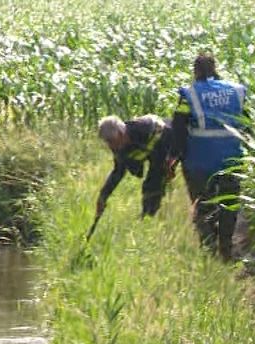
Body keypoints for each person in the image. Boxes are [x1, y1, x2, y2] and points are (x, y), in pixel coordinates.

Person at [170, 54, 246, 260]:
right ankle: (226, 247)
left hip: (200, 159)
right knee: (229, 202)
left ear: (195, 71)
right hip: (232, 158)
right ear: (215, 68)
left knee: (205, 204)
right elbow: (246, 123)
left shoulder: (189, 94)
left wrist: (175, 156)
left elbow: (178, 125)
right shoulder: (236, 91)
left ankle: (210, 248)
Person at [96, 114, 173, 219]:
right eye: (107, 141)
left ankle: (150, 216)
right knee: (151, 186)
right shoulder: (119, 147)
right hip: (154, 152)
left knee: (153, 183)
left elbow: (168, 137)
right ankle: (148, 218)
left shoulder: (144, 129)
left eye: (111, 140)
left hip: (170, 140)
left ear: (121, 133)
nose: (110, 146)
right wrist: (103, 197)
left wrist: (170, 161)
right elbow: (118, 172)